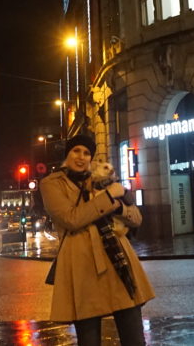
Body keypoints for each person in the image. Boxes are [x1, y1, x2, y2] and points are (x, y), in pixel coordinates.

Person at [39, 133, 154, 346]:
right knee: (89, 339)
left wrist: (119, 206)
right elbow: (71, 219)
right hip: (81, 266)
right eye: (76, 151)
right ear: (67, 154)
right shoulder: (51, 184)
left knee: (135, 339)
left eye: (86, 153)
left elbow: (137, 218)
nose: (81, 157)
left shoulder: (101, 179)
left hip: (117, 262)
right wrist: (109, 197)